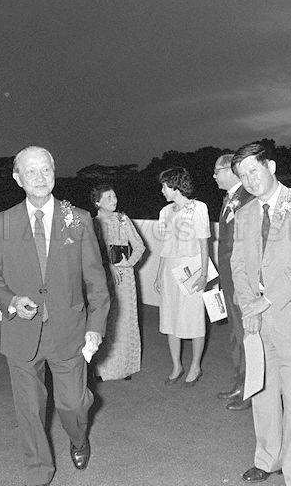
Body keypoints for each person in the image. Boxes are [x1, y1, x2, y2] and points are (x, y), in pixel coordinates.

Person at [0, 146, 110, 486]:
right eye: (30, 171)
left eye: (45, 170)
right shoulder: (3, 221)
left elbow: (96, 281)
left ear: (54, 173)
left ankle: (79, 439)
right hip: (21, 332)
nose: (39, 177)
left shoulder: (78, 218)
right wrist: (10, 300)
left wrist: (96, 328)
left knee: (73, 405)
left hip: (69, 331)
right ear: (17, 177)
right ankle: (39, 472)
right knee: (30, 410)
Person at [230, 142, 291, 485]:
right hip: (256, 317)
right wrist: (246, 305)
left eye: (254, 170)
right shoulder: (243, 214)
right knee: (262, 391)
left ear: (270, 165)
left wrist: (264, 302)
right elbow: (237, 264)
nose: (249, 180)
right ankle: (267, 459)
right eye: (242, 176)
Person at [153, 167, 211, 386]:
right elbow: (164, 247)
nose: (162, 191)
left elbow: (204, 243)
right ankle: (176, 364)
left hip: (192, 268)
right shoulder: (164, 212)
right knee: (170, 317)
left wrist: (204, 274)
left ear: (175, 186)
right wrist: (159, 275)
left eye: (165, 186)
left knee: (194, 318)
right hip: (170, 270)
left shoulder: (199, 208)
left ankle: (195, 365)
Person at [90, 184, 146, 381]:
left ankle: (126, 367)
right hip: (101, 276)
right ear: (98, 203)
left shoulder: (123, 220)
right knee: (106, 320)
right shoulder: (92, 223)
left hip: (125, 278)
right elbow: (91, 254)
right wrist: (109, 266)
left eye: (115, 197)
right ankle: (102, 370)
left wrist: (127, 264)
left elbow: (139, 246)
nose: (114, 201)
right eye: (109, 198)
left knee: (125, 319)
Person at [213, 153, 255, 411]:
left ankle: (249, 391)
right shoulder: (230, 198)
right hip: (229, 279)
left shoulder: (246, 199)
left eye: (217, 171)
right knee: (235, 336)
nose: (214, 176)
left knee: (244, 336)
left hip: (240, 280)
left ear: (229, 171)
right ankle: (240, 382)